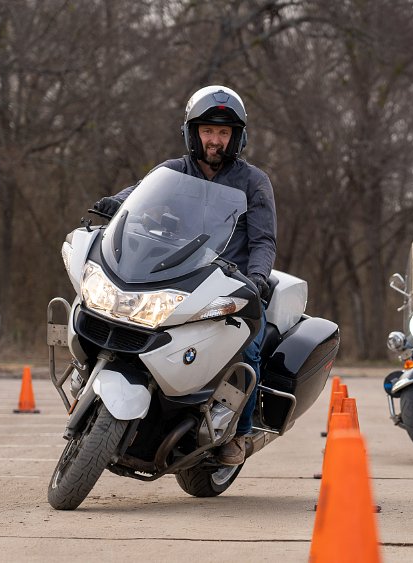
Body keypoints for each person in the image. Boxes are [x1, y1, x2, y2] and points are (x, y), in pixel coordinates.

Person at [93, 85, 276, 466]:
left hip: (227, 284)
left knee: (248, 348)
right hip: (175, 275)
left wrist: (257, 278)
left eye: (224, 133)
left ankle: (236, 435)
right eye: (208, 131)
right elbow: (140, 193)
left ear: (237, 137)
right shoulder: (174, 171)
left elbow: (263, 241)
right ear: (193, 133)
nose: (215, 140)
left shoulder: (253, 182)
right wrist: (115, 203)